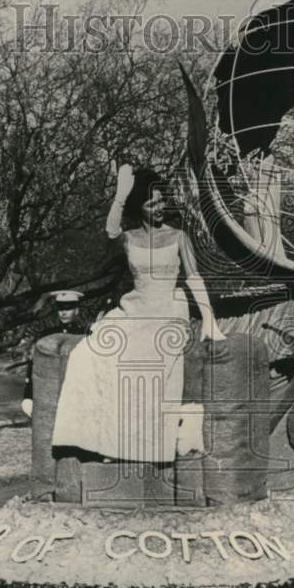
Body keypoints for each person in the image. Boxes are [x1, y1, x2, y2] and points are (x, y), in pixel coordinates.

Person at [51, 165, 225, 463]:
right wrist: (120, 195)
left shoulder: (179, 236)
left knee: (146, 359)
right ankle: (97, 441)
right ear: (138, 208)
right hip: (134, 310)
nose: (159, 207)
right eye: (150, 203)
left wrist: (209, 319)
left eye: (161, 201)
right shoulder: (129, 238)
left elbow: (194, 278)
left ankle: (142, 447)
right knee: (88, 354)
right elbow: (110, 231)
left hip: (168, 310)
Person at [20, 290, 88, 417]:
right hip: (49, 394)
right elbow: (34, 366)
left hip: (77, 394)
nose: (63, 312)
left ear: (77, 311)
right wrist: (28, 396)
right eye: (60, 308)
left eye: (68, 308)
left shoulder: (85, 335)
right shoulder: (46, 335)